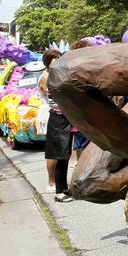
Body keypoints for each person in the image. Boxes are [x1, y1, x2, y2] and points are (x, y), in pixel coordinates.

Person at [39, 49, 74, 202]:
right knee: (59, 154)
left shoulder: (58, 74)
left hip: (66, 117)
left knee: (65, 154)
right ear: (47, 64)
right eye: (54, 61)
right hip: (57, 118)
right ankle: (59, 192)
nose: (57, 63)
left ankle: (64, 187)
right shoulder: (46, 77)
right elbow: (54, 96)